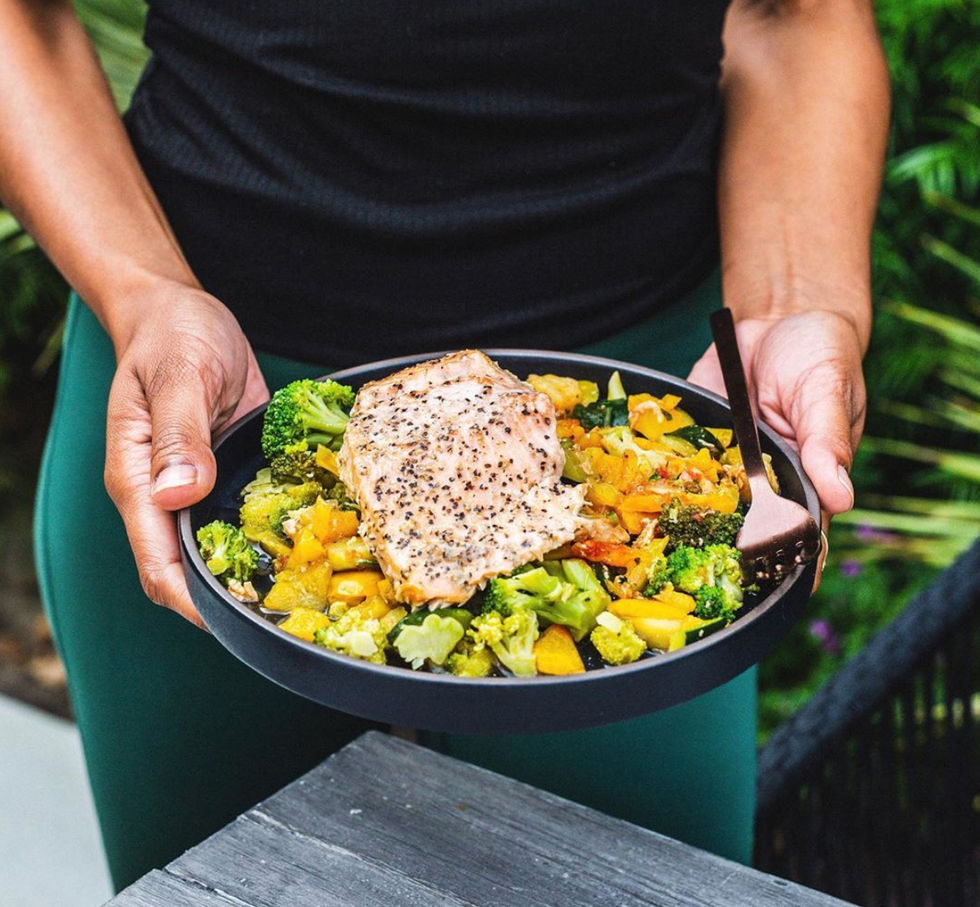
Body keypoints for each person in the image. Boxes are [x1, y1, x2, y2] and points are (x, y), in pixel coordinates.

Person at [0, 0, 889, 891]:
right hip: (213, 389)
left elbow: (791, 15)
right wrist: (143, 291)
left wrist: (792, 298)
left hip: (649, 418)